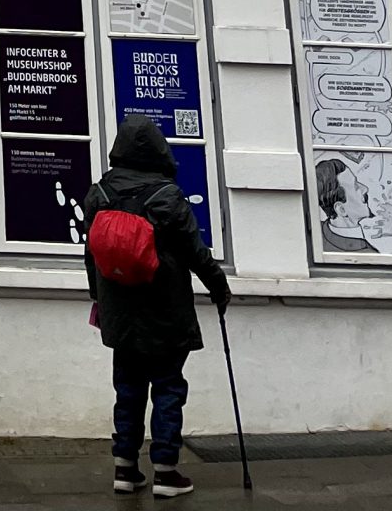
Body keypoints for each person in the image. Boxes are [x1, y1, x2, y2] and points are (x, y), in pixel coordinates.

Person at [82, 116, 230, 500]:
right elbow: (195, 251)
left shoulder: (99, 194)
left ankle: (125, 468)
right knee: (168, 387)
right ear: (159, 149)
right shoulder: (167, 195)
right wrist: (219, 287)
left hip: (119, 311)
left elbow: (91, 256)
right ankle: (166, 471)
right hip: (165, 308)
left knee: (128, 388)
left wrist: (99, 298)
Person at [314, 155, 382, 254]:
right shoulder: (367, 255)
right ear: (341, 209)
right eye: (356, 187)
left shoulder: (314, 235)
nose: (365, 189)